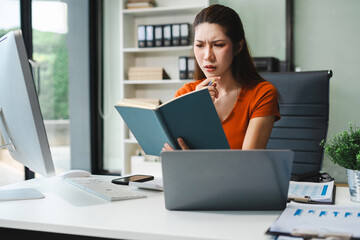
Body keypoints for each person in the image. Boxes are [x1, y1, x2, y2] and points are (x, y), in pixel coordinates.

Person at [163, 4, 280, 151]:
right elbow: (174, 158)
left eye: (218, 45)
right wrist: (196, 109)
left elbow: (248, 164)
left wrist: (191, 161)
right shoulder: (185, 94)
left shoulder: (262, 94)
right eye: (200, 45)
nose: (207, 56)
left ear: (238, 47)